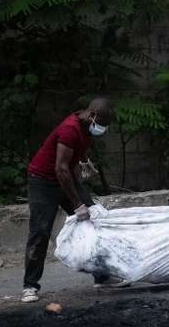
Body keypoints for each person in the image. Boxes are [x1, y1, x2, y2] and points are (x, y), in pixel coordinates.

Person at [22, 97, 122, 303]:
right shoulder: (70, 129)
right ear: (93, 115)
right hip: (43, 181)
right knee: (40, 232)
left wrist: (84, 163)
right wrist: (77, 205)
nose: (102, 129)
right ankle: (30, 286)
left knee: (95, 221)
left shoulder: (85, 127)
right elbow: (60, 168)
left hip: (65, 178)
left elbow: (74, 157)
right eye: (102, 124)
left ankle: (102, 277)